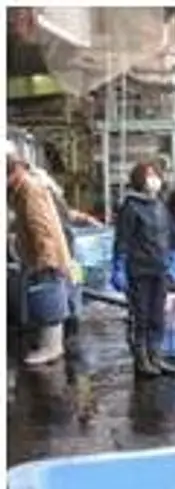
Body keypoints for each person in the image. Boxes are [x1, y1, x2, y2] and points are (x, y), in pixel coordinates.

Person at [7, 148, 74, 366]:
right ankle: (51, 345)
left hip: (46, 256)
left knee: (47, 299)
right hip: (43, 254)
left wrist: (45, 260)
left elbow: (42, 228)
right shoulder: (24, 188)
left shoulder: (29, 190)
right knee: (47, 297)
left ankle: (51, 347)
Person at [111, 161, 175, 379]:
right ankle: (141, 359)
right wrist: (119, 266)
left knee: (158, 316)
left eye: (156, 174)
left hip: (159, 268)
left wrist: (170, 262)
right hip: (138, 270)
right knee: (141, 316)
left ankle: (156, 356)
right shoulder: (130, 206)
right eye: (148, 175)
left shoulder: (160, 204)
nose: (154, 180)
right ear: (139, 179)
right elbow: (122, 239)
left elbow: (165, 236)